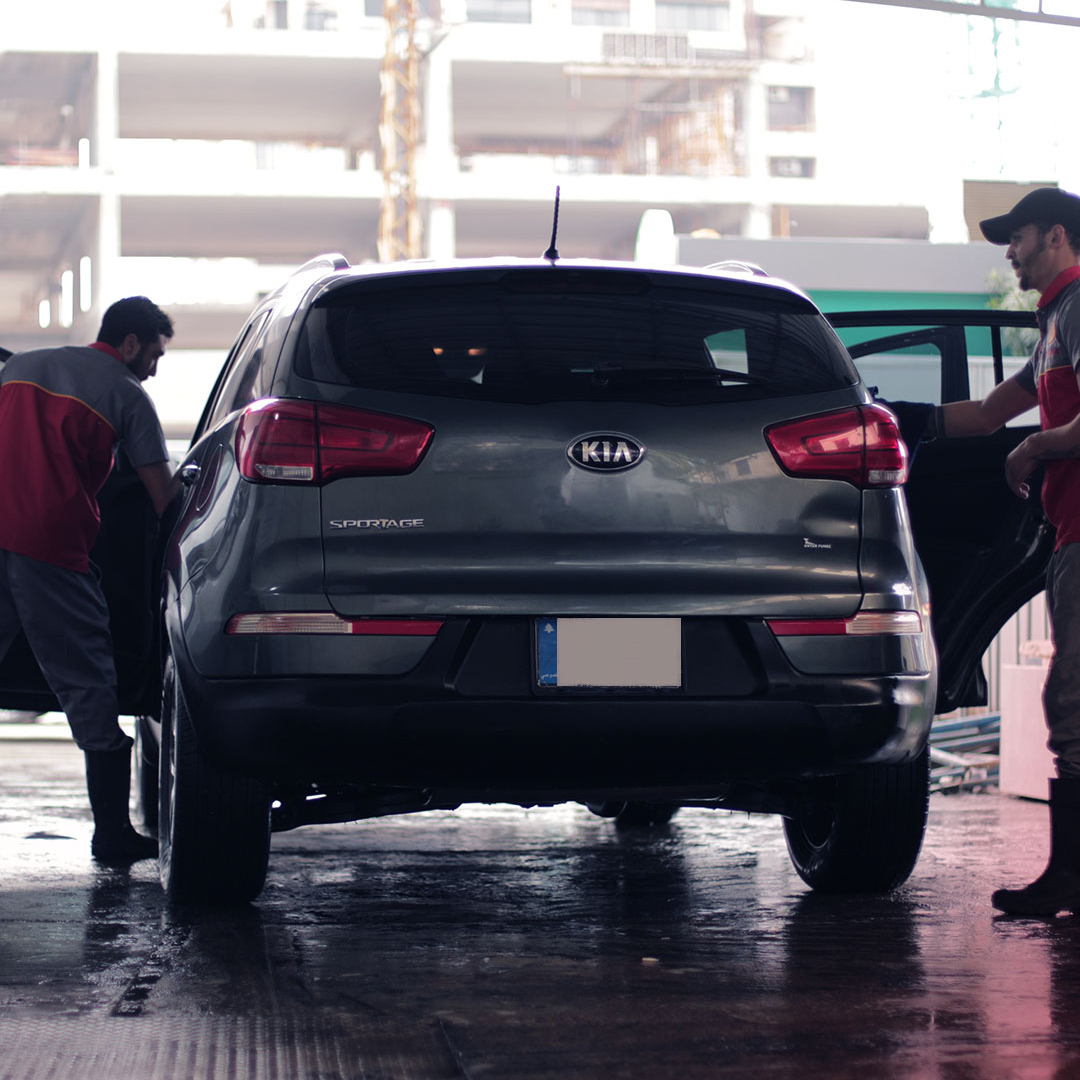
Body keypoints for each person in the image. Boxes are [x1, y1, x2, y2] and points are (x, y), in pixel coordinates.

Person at [925, 187, 1080, 914]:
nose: (1009, 254)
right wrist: (894, 420)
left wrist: (1033, 449)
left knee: (1072, 704)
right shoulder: (1053, 323)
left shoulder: (1079, 308)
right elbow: (987, 412)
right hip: (1068, 532)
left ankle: (1069, 877)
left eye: (1015, 240)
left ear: (1055, 236)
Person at [0, 296, 180, 863]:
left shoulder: (18, 368)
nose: (154, 367)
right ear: (129, 344)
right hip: (48, 543)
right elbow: (162, 500)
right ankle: (111, 833)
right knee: (89, 680)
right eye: (153, 354)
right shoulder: (127, 395)